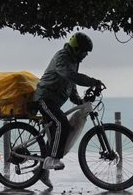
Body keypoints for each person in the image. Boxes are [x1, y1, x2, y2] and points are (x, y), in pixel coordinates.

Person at [33, 32, 103, 179]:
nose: (85, 55)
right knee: (61, 124)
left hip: (54, 101)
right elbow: (69, 76)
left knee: (54, 134)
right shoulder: (62, 57)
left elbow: (70, 85)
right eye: (84, 51)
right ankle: (52, 160)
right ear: (76, 48)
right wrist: (92, 81)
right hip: (44, 98)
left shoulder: (74, 61)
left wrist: (79, 101)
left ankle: (41, 172)